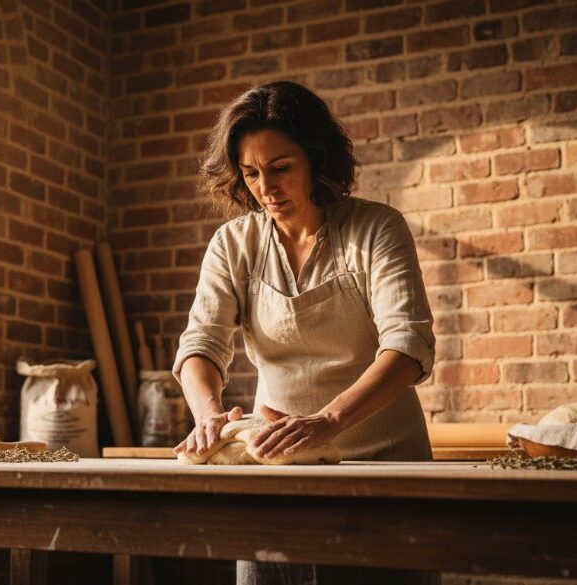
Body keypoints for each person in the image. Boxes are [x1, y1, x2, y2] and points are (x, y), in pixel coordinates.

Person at [171, 81, 439, 585]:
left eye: (281, 168)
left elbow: (407, 346)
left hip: (385, 470)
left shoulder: (377, 229)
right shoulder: (233, 244)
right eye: (250, 173)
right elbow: (200, 346)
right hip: (278, 470)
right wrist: (209, 417)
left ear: (317, 160)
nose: (265, 189)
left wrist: (327, 421)